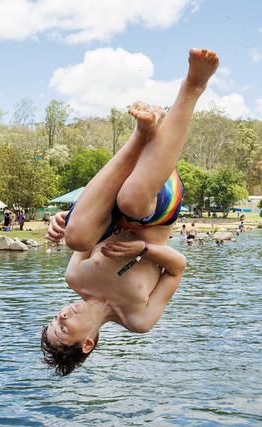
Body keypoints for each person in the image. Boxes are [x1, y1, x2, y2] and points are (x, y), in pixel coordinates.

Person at [42, 48, 219, 376]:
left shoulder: (76, 277)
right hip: (156, 200)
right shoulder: (138, 319)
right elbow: (178, 268)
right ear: (87, 343)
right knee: (133, 202)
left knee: (77, 238)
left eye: (55, 320)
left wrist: (62, 221)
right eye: (63, 329)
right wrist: (143, 249)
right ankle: (193, 86)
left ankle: (141, 136)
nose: (62, 316)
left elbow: (89, 229)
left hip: (124, 183)